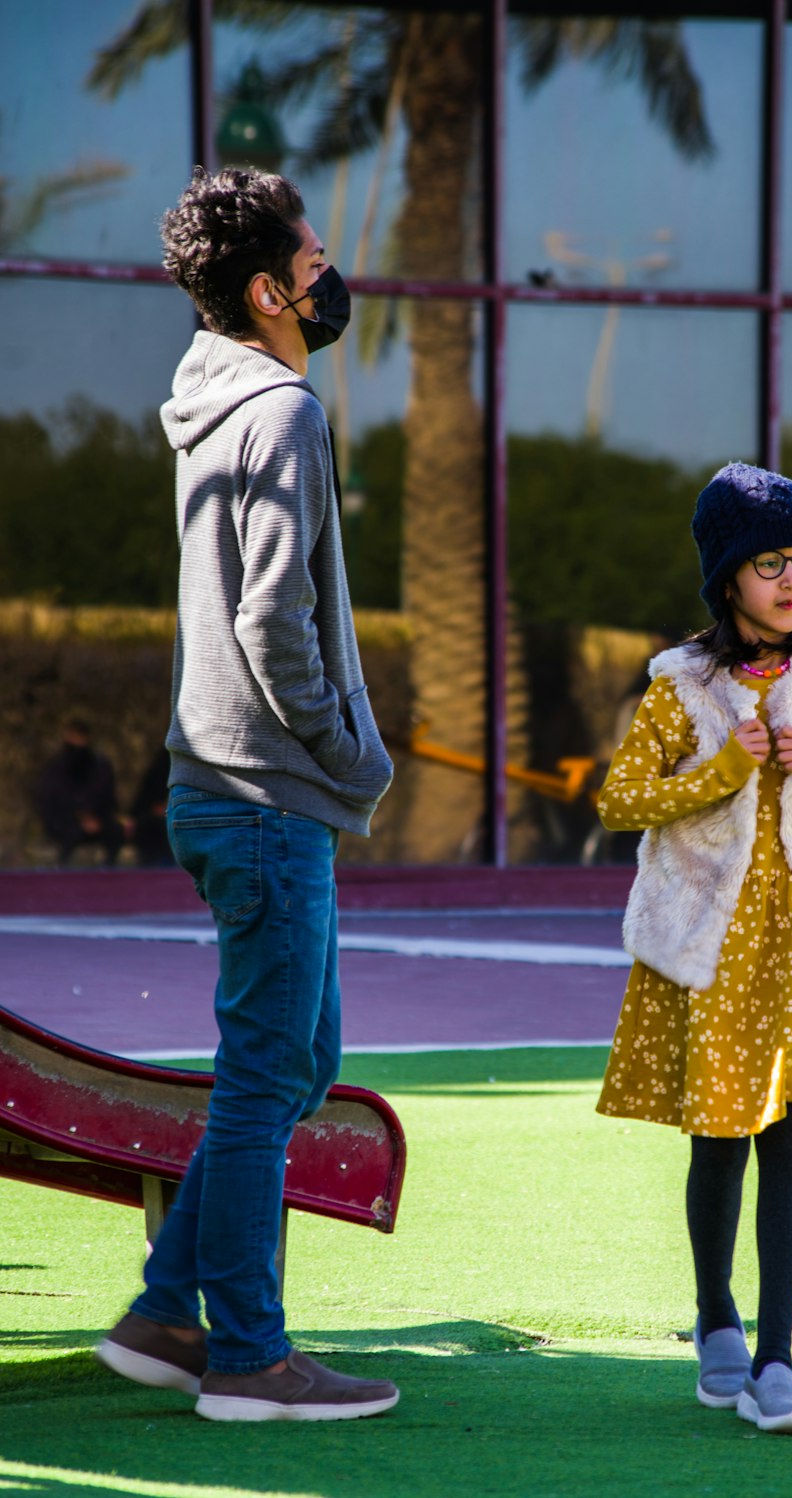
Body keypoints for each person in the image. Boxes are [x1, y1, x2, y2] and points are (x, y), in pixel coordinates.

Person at [96, 166, 397, 1422]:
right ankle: (248, 1357)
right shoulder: (279, 414)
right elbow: (275, 620)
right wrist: (346, 754)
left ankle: (169, 1314)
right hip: (268, 794)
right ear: (272, 292)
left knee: (296, 1054)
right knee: (271, 1066)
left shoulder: (212, 404)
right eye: (317, 261)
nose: (332, 279)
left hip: (230, 792)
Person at [595, 462, 792, 1435]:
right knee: (721, 1143)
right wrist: (719, 769)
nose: (791, 579)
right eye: (769, 561)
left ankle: (778, 1359)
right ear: (727, 574)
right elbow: (617, 802)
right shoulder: (677, 685)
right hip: (711, 953)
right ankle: (716, 1322)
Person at [34, 717, 125, 866]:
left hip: (98, 818)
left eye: (79, 736)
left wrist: (95, 817)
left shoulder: (99, 765)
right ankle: (61, 871)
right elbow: (53, 798)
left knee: (116, 831)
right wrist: (80, 816)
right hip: (65, 820)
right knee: (70, 834)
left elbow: (105, 794)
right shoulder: (57, 766)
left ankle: (108, 873)